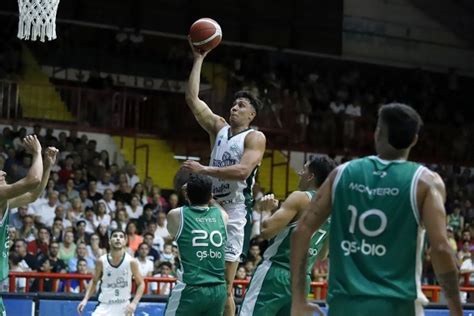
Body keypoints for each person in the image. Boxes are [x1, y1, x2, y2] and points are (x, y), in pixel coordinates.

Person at [290, 103, 463, 316]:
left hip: (344, 306)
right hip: (399, 307)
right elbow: (441, 249)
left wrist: (298, 300)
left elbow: (301, 231)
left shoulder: (341, 174)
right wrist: (456, 310)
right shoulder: (425, 182)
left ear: (377, 133)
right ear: (414, 140)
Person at [183, 39, 266, 316]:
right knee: (202, 281)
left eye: (241, 105)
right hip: (208, 208)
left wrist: (205, 170)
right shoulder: (218, 127)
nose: (234, 107)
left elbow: (243, 171)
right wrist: (199, 59)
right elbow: (193, 100)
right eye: (234, 104)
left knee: (225, 286)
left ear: (251, 114)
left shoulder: (255, 137)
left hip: (235, 211)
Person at [239, 156, 336, 316]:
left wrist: (266, 209)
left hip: (276, 272)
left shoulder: (300, 197)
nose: (299, 173)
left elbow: (266, 231)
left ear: (311, 176)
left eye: (304, 169)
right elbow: (322, 255)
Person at [0, 136, 57, 316]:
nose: (3, 173)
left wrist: (46, 165)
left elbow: (33, 195)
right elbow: (32, 180)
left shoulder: (5, 202)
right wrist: (37, 152)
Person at [164, 174, 228, 316]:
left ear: (187, 194)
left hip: (191, 288)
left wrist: (187, 194)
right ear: (210, 195)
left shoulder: (176, 215)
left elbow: (171, 231)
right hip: (218, 290)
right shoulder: (222, 216)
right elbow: (217, 207)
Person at [77, 229, 144, 316]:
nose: (118, 239)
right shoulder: (101, 261)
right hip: (104, 305)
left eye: (121, 237)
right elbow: (94, 282)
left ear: (125, 241)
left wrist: (134, 303)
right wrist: (85, 299)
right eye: (115, 236)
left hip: (124, 306)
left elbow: (141, 283)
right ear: (109, 241)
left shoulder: (131, 262)